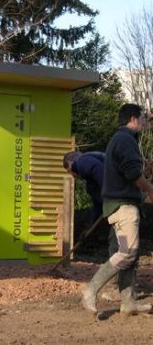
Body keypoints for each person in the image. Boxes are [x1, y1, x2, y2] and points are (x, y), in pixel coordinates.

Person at [82, 103, 153, 315]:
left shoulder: (120, 140)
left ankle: (128, 303)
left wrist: (146, 171)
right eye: (142, 118)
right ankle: (90, 291)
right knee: (127, 253)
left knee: (130, 255)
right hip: (123, 207)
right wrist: (150, 189)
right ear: (132, 119)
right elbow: (132, 174)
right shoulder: (125, 140)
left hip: (120, 205)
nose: (144, 122)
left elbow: (130, 174)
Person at [63, 151, 119, 301]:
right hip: (116, 207)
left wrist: (109, 194)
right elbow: (97, 207)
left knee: (118, 249)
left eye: (69, 172)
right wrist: (88, 229)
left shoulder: (81, 162)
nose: (73, 175)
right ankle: (124, 291)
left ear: (69, 164)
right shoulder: (91, 184)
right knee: (121, 248)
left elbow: (96, 169)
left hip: (121, 205)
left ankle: (115, 288)